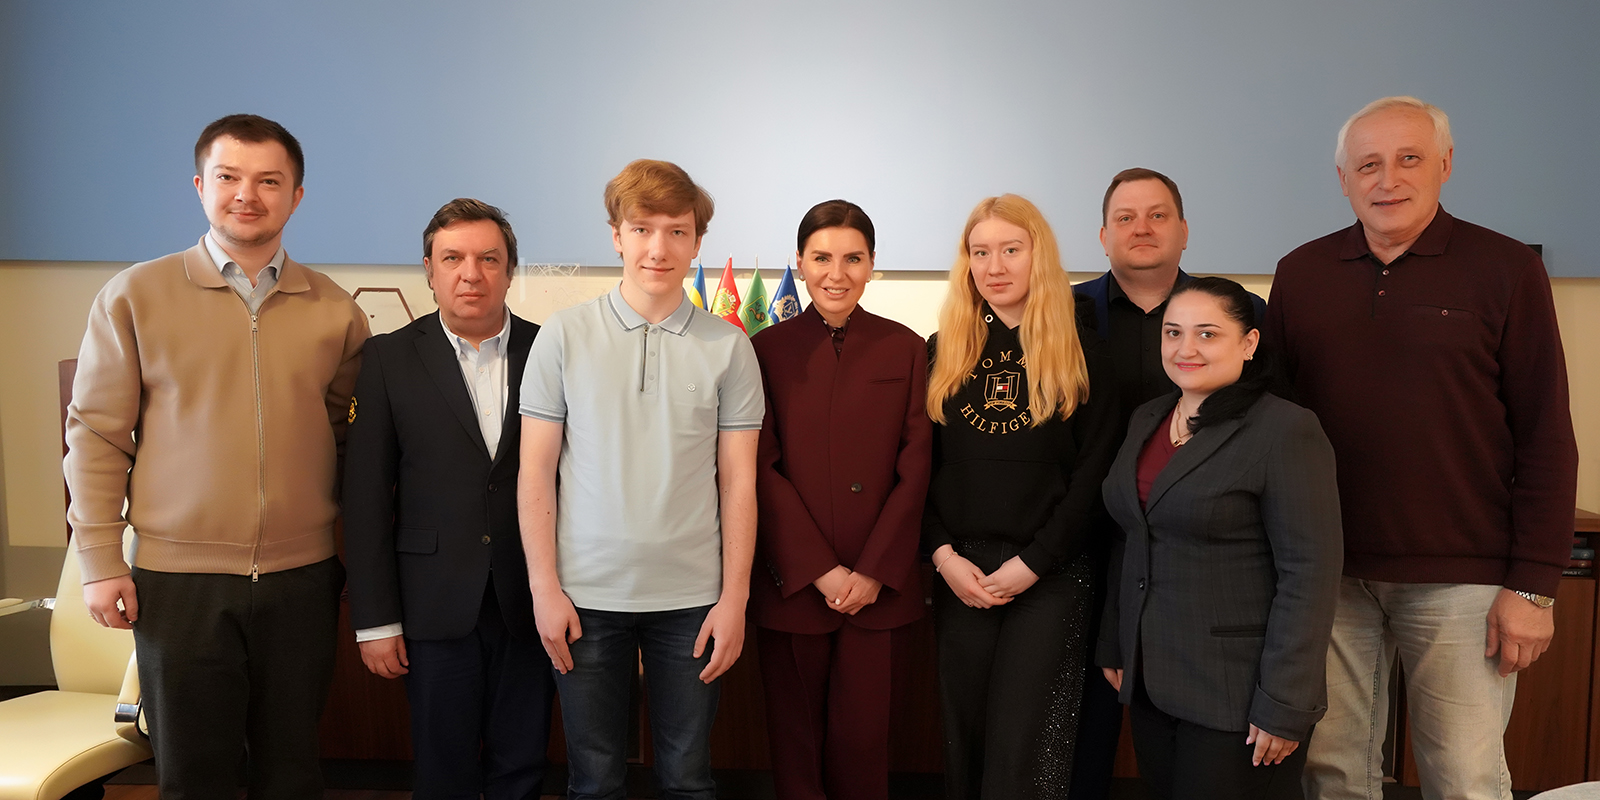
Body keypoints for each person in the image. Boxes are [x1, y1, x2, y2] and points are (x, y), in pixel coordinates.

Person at [1264, 96, 1578, 800]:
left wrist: (1534, 586)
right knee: (1332, 774)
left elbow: (1547, 434)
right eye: (1367, 165)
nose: (1388, 180)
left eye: (1409, 159)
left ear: (1445, 164)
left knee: (1464, 779)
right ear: (1342, 178)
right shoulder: (1301, 273)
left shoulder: (1506, 268)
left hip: (1463, 579)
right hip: (1327, 573)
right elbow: (1272, 429)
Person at [64, 114, 369, 797]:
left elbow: (345, 440)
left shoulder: (335, 310)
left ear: (296, 196)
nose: (247, 195)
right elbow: (97, 436)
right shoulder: (135, 296)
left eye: (269, 181)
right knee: (195, 776)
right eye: (229, 177)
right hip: (178, 583)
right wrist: (100, 561)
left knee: (292, 772)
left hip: (302, 579)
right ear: (201, 186)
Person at [517, 159, 763, 800]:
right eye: (642, 229)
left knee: (688, 778)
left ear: (697, 242)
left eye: (677, 231)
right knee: (594, 780)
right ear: (616, 236)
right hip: (585, 596)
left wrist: (734, 598)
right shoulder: (564, 335)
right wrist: (544, 588)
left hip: (693, 600)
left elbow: (738, 482)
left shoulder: (730, 347)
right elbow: (535, 471)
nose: (659, 248)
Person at [1096, 277, 1343, 799]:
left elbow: (1310, 575)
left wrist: (1285, 704)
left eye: (1207, 334)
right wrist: (1117, 642)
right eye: (1173, 332)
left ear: (1249, 344)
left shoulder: (1285, 429)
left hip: (1239, 695)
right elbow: (1131, 535)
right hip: (1151, 680)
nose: (1185, 348)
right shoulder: (1148, 417)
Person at [342, 198, 555, 798]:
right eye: (453, 258)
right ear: (430, 271)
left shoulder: (552, 351)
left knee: (523, 766)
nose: (471, 274)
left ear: (510, 271)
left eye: (489, 259)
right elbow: (365, 497)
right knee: (443, 772)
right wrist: (374, 620)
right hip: (431, 605)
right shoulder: (387, 358)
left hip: (531, 599)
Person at [1070, 168, 1266, 800]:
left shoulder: (1232, 313)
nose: (1142, 228)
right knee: (1083, 720)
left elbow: (1267, 425)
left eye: (1158, 215)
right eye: (1125, 217)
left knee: (1186, 735)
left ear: (1184, 230)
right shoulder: (1065, 314)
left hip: (1197, 551)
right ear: (1103, 235)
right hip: (1082, 540)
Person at [923, 194, 1119, 799]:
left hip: (1051, 574)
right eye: (980, 252)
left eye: (1011, 249)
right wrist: (943, 556)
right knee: (966, 736)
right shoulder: (941, 351)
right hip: (961, 572)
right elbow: (918, 470)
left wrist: (1034, 562)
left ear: (1040, 255)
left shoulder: (1085, 353)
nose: (995, 265)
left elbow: (1094, 478)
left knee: (1027, 745)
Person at [748, 200, 933, 800]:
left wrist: (874, 571)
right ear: (799, 263)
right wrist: (819, 570)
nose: (837, 273)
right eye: (822, 257)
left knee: (864, 746)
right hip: (796, 585)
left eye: (853, 258)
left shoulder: (906, 347)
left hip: (880, 588)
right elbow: (761, 468)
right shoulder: (765, 348)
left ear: (872, 264)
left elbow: (916, 468)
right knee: (796, 745)